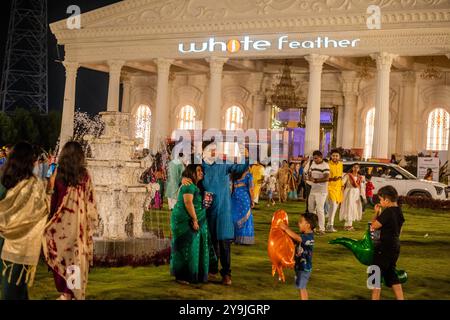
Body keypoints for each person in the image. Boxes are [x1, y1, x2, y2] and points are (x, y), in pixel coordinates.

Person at [182, 141, 248, 286]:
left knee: (224, 243)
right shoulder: (200, 168)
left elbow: (241, 167)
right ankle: (211, 270)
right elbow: (188, 176)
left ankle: (226, 274)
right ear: (204, 151)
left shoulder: (223, 165)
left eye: (215, 150)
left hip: (224, 211)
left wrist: (244, 154)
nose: (214, 152)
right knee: (209, 243)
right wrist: (184, 178)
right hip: (207, 212)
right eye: (210, 150)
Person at [43, 141, 99, 300]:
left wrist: (47, 223)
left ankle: (65, 294)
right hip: (78, 231)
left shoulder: (59, 175)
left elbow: (52, 202)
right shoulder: (85, 176)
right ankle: (72, 293)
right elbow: (91, 202)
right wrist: (90, 224)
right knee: (75, 262)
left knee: (61, 260)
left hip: (60, 228)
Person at [0, 142, 50, 300]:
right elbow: (41, 210)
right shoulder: (34, 185)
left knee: (14, 288)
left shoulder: (4, 180)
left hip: (4, 239)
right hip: (20, 244)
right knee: (15, 288)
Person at [170, 164, 216, 284]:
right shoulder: (188, 185)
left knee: (191, 249)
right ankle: (182, 276)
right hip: (184, 221)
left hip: (192, 220)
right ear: (192, 172)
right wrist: (195, 220)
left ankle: (193, 274)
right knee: (184, 248)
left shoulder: (194, 184)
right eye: (198, 170)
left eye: (202, 170)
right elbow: (188, 202)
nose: (201, 173)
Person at [370, 186, 405, 300]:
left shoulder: (388, 212)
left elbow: (373, 226)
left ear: (387, 200)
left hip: (383, 247)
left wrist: (376, 213)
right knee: (391, 274)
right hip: (395, 246)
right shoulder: (399, 211)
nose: (380, 202)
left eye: (380, 199)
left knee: (375, 276)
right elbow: (400, 229)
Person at [279, 213, 317, 300]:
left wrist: (285, 228)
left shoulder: (309, 238)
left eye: (301, 222)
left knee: (302, 287)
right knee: (301, 287)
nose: (298, 223)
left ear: (308, 225)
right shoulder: (304, 236)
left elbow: (297, 238)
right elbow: (294, 239)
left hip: (304, 268)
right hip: (299, 267)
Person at [305, 151, 330, 235]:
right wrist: (309, 177)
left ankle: (322, 229)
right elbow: (310, 173)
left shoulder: (325, 165)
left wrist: (316, 180)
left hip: (322, 191)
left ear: (321, 157)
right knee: (311, 209)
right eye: (314, 158)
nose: (315, 160)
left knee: (320, 210)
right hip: (313, 189)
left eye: (316, 158)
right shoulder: (313, 164)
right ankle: (312, 228)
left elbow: (327, 178)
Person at [231, 169, 255, 245]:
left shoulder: (234, 174)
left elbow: (231, 187)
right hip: (244, 198)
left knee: (235, 217)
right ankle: (244, 240)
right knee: (246, 219)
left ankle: (233, 238)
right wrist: (252, 200)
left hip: (234, 197)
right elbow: (251, 189)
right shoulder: (249, 175)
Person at [340, 163, 366, 231]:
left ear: (359, 169)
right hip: (349, 192)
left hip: (356, 193)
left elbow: (362, 187)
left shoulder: (360, 177)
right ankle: (348, 225)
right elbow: (342, 183)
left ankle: (348, 224)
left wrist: (363, 196)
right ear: (352, 168)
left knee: (354, 208)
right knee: (349, 207)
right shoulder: (348, 175)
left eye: (357, 167)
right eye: (354, 167)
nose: (355, 169)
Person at [326, 149, 343, 233]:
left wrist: (342, 186)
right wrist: (333, 179)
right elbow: (325, 177)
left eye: (337, 156)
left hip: (338, 188)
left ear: (339, 157)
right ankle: (330, 225)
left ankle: (329, 224)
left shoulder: (340, 164)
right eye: (333, 155)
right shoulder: (327, 164)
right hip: (330, 187)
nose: (335, 157)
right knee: (332, 205)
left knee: (334, 207)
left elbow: (340, 176)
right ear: (331, 156)